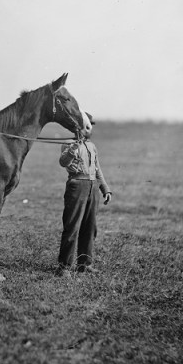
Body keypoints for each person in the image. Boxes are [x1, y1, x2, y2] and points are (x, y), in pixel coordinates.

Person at [56, 112, 112, 277]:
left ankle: (84, 264)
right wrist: (72, 150)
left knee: (90, 227)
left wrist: (105, 188)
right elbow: (63, 162)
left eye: (90, 126)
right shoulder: (68, 143)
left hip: (93, 187)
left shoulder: (92, 146)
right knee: (72, 226)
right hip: (77, 186)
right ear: (76, 127)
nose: (89, 129)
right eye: (86, 125)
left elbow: (97, 169)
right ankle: (64, 267)